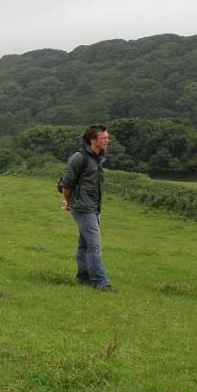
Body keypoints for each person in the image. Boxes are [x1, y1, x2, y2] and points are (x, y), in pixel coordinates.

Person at [60, 125, 116, 291]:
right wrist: (68, 202)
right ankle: (101, 282)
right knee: (94, 245)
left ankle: (83, 276)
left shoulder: (98, 157)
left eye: (107, 137)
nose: (108, 140)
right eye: (104, 138)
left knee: (84, 244)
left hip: (93, 206)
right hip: (83, 207)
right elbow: (67, 183)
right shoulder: (79, 157)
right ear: (93, 140)